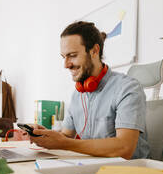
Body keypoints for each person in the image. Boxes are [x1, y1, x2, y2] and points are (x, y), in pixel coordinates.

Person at [29, 21, 149, 159]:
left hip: (129, 172)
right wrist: (46, 136)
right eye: (64, 57)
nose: (66, 65)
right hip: (91, 168)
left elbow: (124, 148)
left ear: (94, 51)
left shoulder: (127, 88)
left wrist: (65, 143)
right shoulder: (77, 95)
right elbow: (66, 136)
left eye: (72, 55)